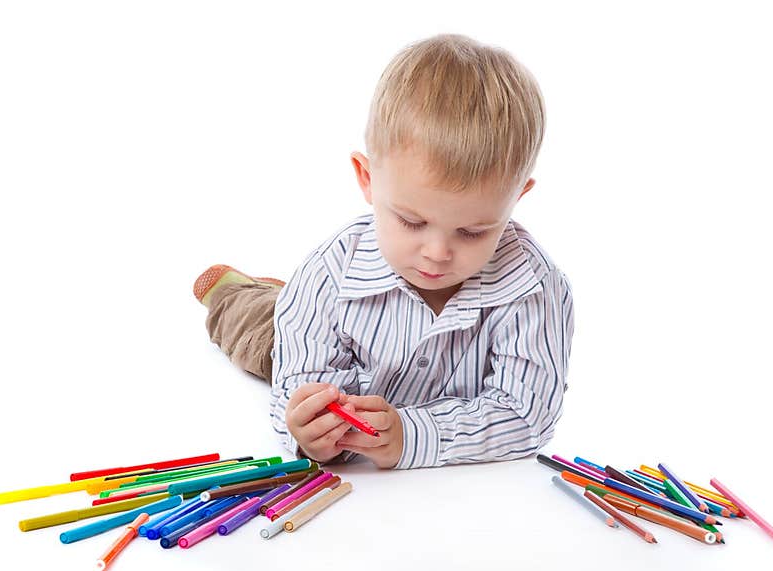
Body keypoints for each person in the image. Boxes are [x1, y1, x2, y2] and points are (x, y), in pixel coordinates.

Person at [193, 33, 574, 470]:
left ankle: (279, 297)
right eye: (412, 222)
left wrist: (413, 436)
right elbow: (297, 396)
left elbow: (527, 416)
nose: (437, 253)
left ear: (516, 198)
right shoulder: (328, 276)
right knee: (261, 336)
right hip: (303, 338)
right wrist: (312, 435)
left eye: (472, 231)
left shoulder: (533, 287)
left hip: (416, 402)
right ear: (367, 179)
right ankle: (239, 294)